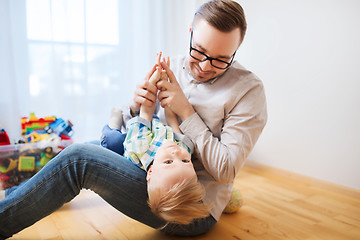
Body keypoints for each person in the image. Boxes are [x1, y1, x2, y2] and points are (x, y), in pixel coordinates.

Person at [0, 0, 267, 238]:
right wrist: (136, 105)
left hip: (186, 206)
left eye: (222, 60)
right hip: (149, 169)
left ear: (237, 49)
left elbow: (227, 170)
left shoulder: (248, 90)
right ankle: (11, 201)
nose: (206, 66)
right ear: (190, 32)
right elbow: (138, 136)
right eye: (199, 51)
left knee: (79, 159)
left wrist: (186, 111)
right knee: (90, 147)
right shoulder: (171, 66)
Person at [102, 53, 210, 224]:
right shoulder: (182, 150)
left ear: (150, 172)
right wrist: (166, 86)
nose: (176, 154)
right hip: (157, 127)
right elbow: (172, 120)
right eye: (185, 162)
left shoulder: (140, 148)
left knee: (111, 140)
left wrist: (155, 79)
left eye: (168, 162)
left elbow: (146, 110)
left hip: (136, 131)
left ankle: (113, 122)